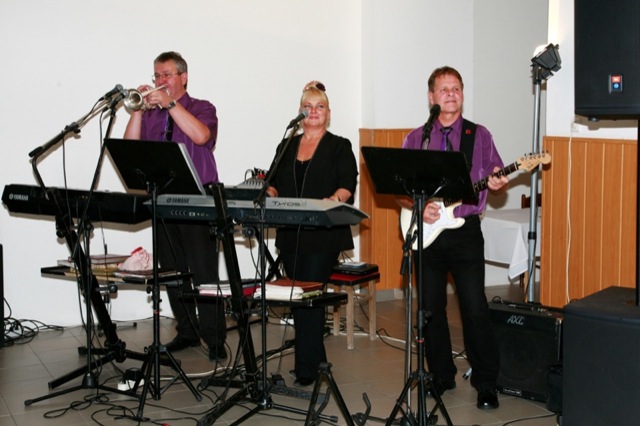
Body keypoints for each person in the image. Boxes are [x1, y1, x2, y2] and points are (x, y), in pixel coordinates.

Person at [399, 66, 508, 409]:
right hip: (427, 235)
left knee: (474, 307)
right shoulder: (416, 139)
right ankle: (441, 375)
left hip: (465, 233)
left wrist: (497, 179)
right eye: (443, 89)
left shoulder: (480, 135)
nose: (451, 94)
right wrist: (418, 209)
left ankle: (486, 381)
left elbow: (495, 172)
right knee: (431, 309)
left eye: (456, 88)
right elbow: (401, 191)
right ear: (431, 97)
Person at [123, 51, 227, 361]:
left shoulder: (202, 107)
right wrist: (138, 111)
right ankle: (187, 331)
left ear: (183, 77)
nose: (160, 80)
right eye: (156, 75)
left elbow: (201, 135)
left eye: (166, 75)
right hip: (163, 200)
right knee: (172, 271)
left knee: (204, 272)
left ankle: (215, 337)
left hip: (198, 199)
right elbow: (129, 149)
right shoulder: (151, 114)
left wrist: (170, 103)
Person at [265, 81, 358, 386]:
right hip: (291, 232)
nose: (314, 111)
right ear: (300, 112)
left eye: (320, 106)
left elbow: (348, 184)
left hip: (324, 233)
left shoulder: (339, 145)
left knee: (311, 295)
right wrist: (267, 192)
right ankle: (314, 362)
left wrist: (334, 199)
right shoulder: (287, 145)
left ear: (328, 113)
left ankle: (307, 369)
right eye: (308, 106)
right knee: (298, 298)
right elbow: (274, 181)